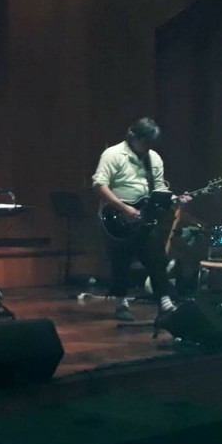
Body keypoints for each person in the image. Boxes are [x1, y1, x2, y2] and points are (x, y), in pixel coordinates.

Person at [92, 117, 188, 322]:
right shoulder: (113, 154)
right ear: (133, 136)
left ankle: (165, 303)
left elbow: (159, 188)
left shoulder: (154, 158)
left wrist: (174, 199)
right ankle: (121, 303)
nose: (147, 146)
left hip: (144, 216)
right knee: (121, 261)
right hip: (116, 216)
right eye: (144, 141)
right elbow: (100, 184)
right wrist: (124, 207)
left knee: (157, 257)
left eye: (150, 142)